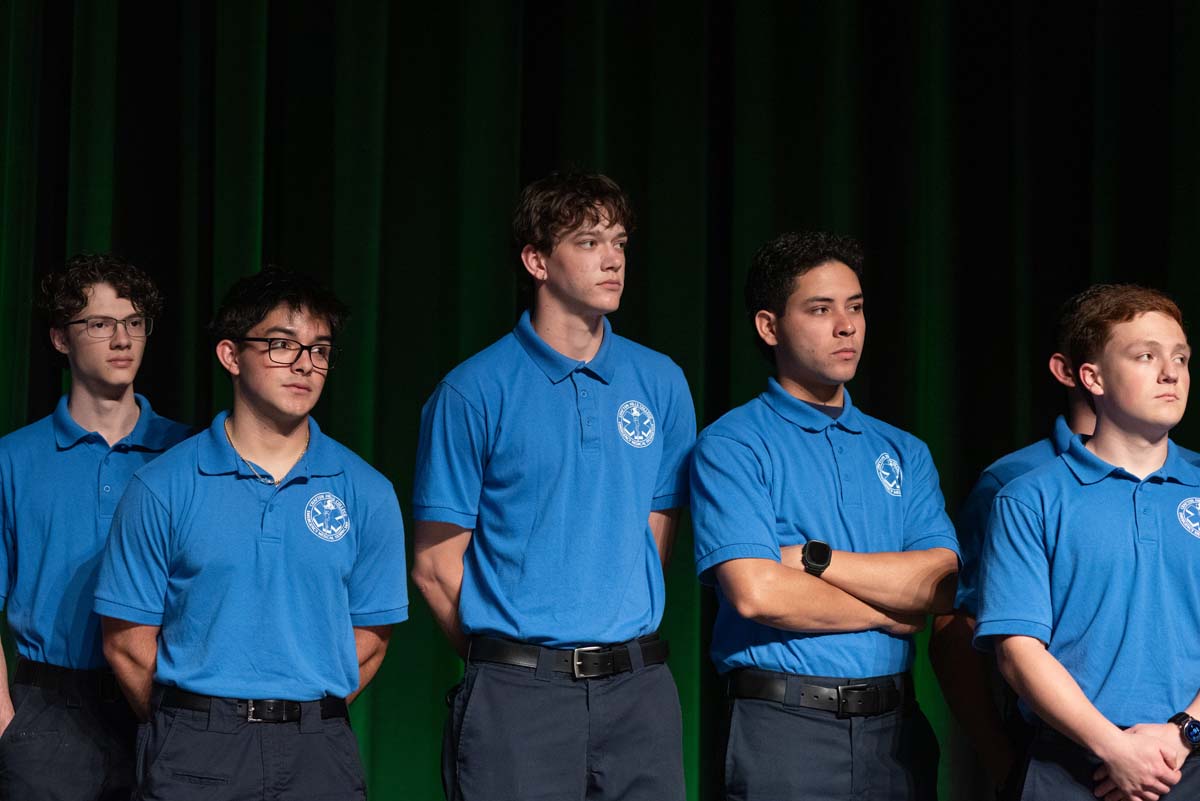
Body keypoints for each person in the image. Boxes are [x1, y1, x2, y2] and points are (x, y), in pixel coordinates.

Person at [411, 170, 696, 801]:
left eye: (620, 242)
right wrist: (516, 657)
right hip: (518, 697)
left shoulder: (662, 381)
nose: (614, 260)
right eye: (590, 242)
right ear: (537, 260)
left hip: (638, 690)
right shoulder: (473, 390)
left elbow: (655, 527)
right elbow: (435, 564)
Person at [94, 266, 408, 801]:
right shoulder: (162, 486)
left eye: (320, 350)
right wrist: (201, 722)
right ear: (231, 356)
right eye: (282, 345)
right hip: (196, 748)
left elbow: (373, 637)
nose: (305, 365)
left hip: (318, 751)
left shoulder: (368, 491)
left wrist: (298, 714)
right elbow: (126, 641)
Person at [689, 231, 958, 800]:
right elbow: (758, 594)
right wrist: (890, 611)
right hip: (787, 731)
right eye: (821, 309)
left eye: (855, 307)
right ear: (769, 326)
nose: (847, 326)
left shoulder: (903, 451)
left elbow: (940, 586)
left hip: (897, 733)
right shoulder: (734, 444)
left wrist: (814, 561)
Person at [930, 286, 1200, 798]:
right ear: (1091, 377)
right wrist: (1115, 749)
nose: (1171, 373)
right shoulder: (1028, 497)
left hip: (1190, 756)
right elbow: (1018, 649)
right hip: (1075, 769)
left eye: (1181, 358)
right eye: (1146, 356)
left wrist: (1184, 731)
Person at [0, 254, 190, 800]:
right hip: (50, 712)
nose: (122, 339)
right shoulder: (15, 459)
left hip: (165, 702)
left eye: (134, 323)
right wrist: (10, 723)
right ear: (61, 339)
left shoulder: (187, 454)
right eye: (100, 324)